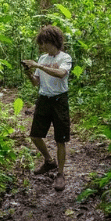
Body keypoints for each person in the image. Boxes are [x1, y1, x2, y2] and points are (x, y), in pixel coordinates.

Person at [22, 25, 72, 192]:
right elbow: (37, 82)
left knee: (60, 139)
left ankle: (60, 174)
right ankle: (49, 161)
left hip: (59, 101)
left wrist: (38, 66)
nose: (41, 47)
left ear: (52, 41)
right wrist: (29, 73)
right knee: (35, 135)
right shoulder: (42, 58)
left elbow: (61, 74)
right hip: (44, 100)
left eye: (43, 43)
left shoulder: (65, 58)